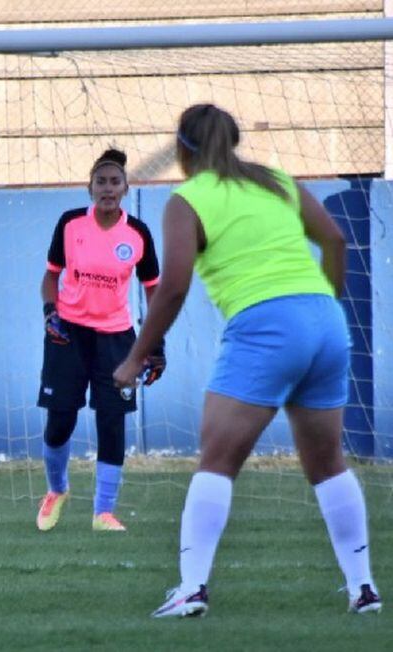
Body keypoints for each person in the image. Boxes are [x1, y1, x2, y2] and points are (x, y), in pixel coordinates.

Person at [114, 103, 381, 617]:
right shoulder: (277, 181)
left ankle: (192, 588)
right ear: (232, 141)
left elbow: (171, 289)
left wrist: (134, 357)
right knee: (327, 465)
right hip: (325, 320)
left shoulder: (186, 199)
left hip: (266, 326)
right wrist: (322, 304)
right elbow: (335, 239)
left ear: (184, 150)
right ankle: (363, 587)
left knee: (217, 460)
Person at [36, 148, 164, 533]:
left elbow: (154, 290)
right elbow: (50, 277)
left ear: (126, 188)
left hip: (116, 339)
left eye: (114, 182)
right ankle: (57, 490)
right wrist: (49, 313)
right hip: (69, 335)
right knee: (60, 421)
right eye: (101, 182)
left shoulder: (138, 233)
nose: (107, 188)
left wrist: (155, 346)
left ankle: (103, 513)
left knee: (112, 421)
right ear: (89, 187)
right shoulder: (71, 224)